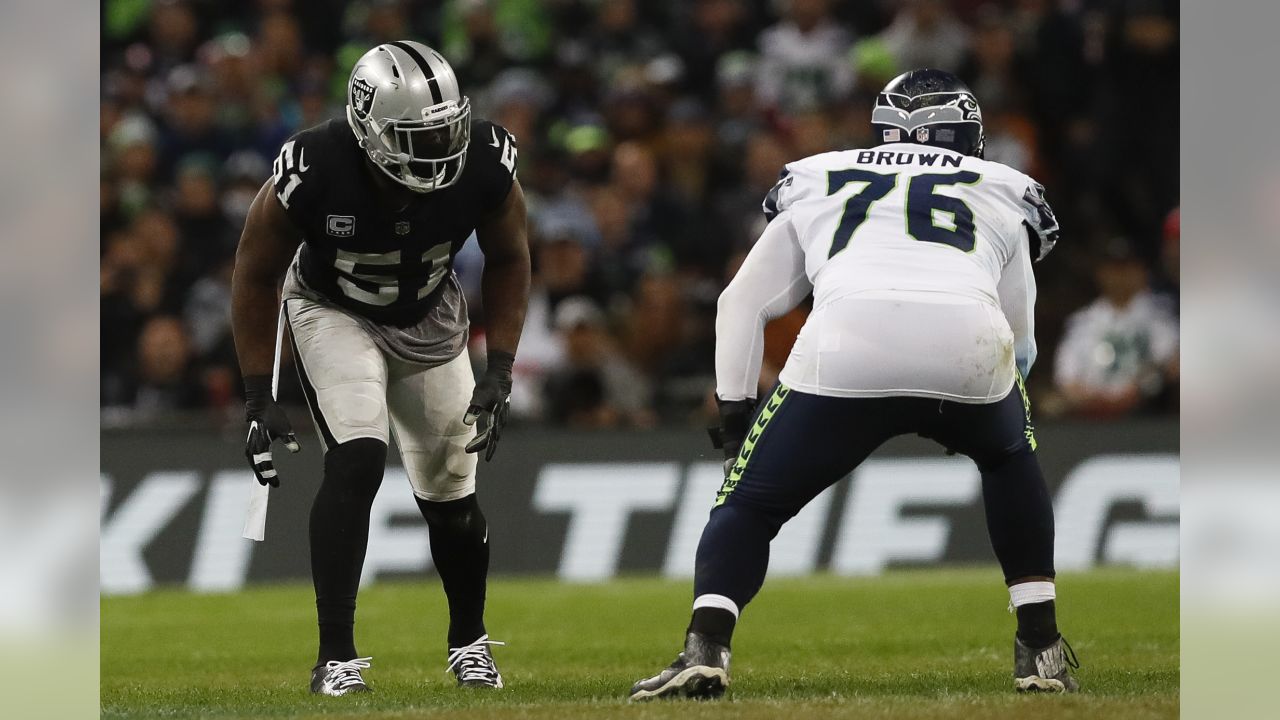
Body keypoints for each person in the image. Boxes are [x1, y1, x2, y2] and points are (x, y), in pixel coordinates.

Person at [630, 69, 1077, 701]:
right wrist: (993, 410)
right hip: (969, 343)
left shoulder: (818, 174)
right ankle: (1040, 648)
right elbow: (1021, 337)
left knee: (748, 504)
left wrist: (736, 420)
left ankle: (705, 648)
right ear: (965, 135)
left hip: (845, 346)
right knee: (1010, 460)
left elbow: (740, 304)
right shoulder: (1003, 187)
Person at [231, 41, 530, 696]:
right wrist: (258, 391)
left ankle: (469, 643)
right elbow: (255, 274)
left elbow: (511, 256)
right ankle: (335, 658)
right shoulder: (313, 165)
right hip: (330, 310)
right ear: (368, 128)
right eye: (417, 135)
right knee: (358, 457)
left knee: (452, 495)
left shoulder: (484, 157)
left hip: (430, 317)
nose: (440, 147)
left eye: (445, 128)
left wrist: (500, 367)